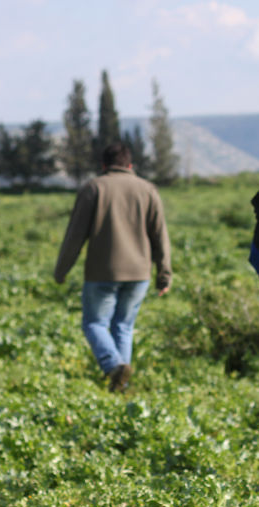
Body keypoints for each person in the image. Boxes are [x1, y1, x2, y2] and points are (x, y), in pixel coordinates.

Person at [53, 141, 172, 392]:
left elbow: (75, 235)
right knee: (123, 326)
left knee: (95, 324)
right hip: (139, 273)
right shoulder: (148, 189)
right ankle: (122, 383)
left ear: (103, 165)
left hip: (102, 272)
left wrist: (62, 269)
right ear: (130, 164)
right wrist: (164, 275)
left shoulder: (93, 188)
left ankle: (113, 366)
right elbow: (160, 236)